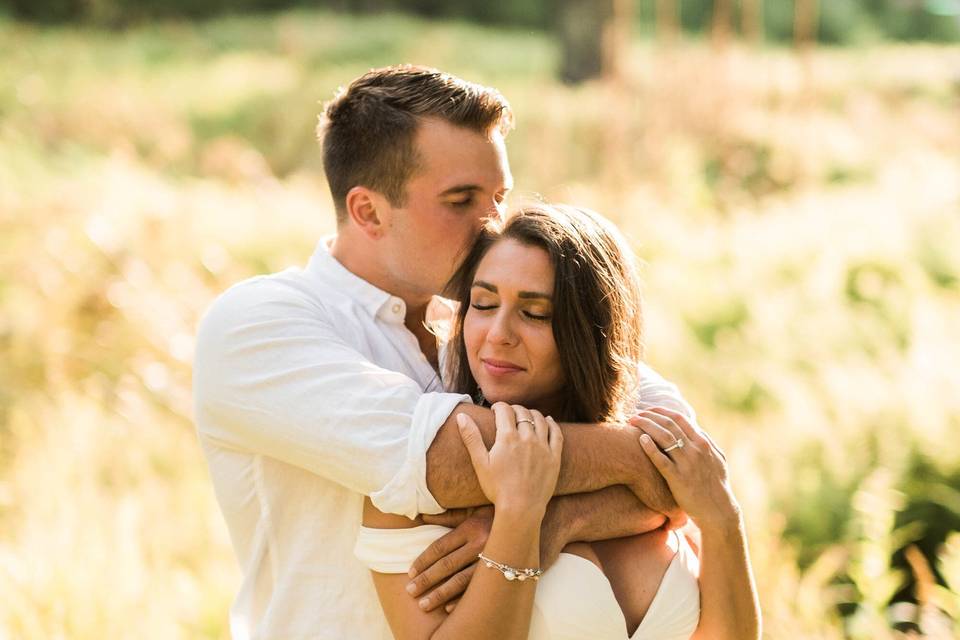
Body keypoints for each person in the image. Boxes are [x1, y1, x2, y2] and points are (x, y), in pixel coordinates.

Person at [193, 65, 697, 639]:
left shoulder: (492, 321)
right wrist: (635, 459)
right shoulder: (261, 323)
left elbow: (690, 457)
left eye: (499, 198)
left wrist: (551, 519)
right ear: (368, 212)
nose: (493, 227)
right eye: (462, 200)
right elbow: (448, 464)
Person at [357, 204, 760, 639]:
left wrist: (723, 519)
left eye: (535, 314)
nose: (498, 334)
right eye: (484, 303)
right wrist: (517, 519)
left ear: (590, 331)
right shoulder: (419, 484)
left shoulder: (649, 479)